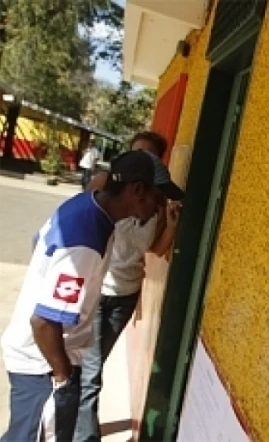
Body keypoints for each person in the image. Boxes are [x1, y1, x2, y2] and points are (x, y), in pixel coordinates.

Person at [0, 150, 167, 442]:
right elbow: (43, 322)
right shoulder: (86, 240)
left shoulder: (88, 208)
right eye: (158, 198)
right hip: (42, 367)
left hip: (43, 361)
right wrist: (62, 378)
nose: (159, 208)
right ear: (137, 190)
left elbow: (37, 240)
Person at [73, 132, 184, 442]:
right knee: (92, 371)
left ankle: (69, 420)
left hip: (125, 295)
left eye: (149, 155)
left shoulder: (155, 204)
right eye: (137, 153)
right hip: (99, 290)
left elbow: (155, 250)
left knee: (93, 364)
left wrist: (172, 224)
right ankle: (85, 435)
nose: (142, 160)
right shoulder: (109, 192)